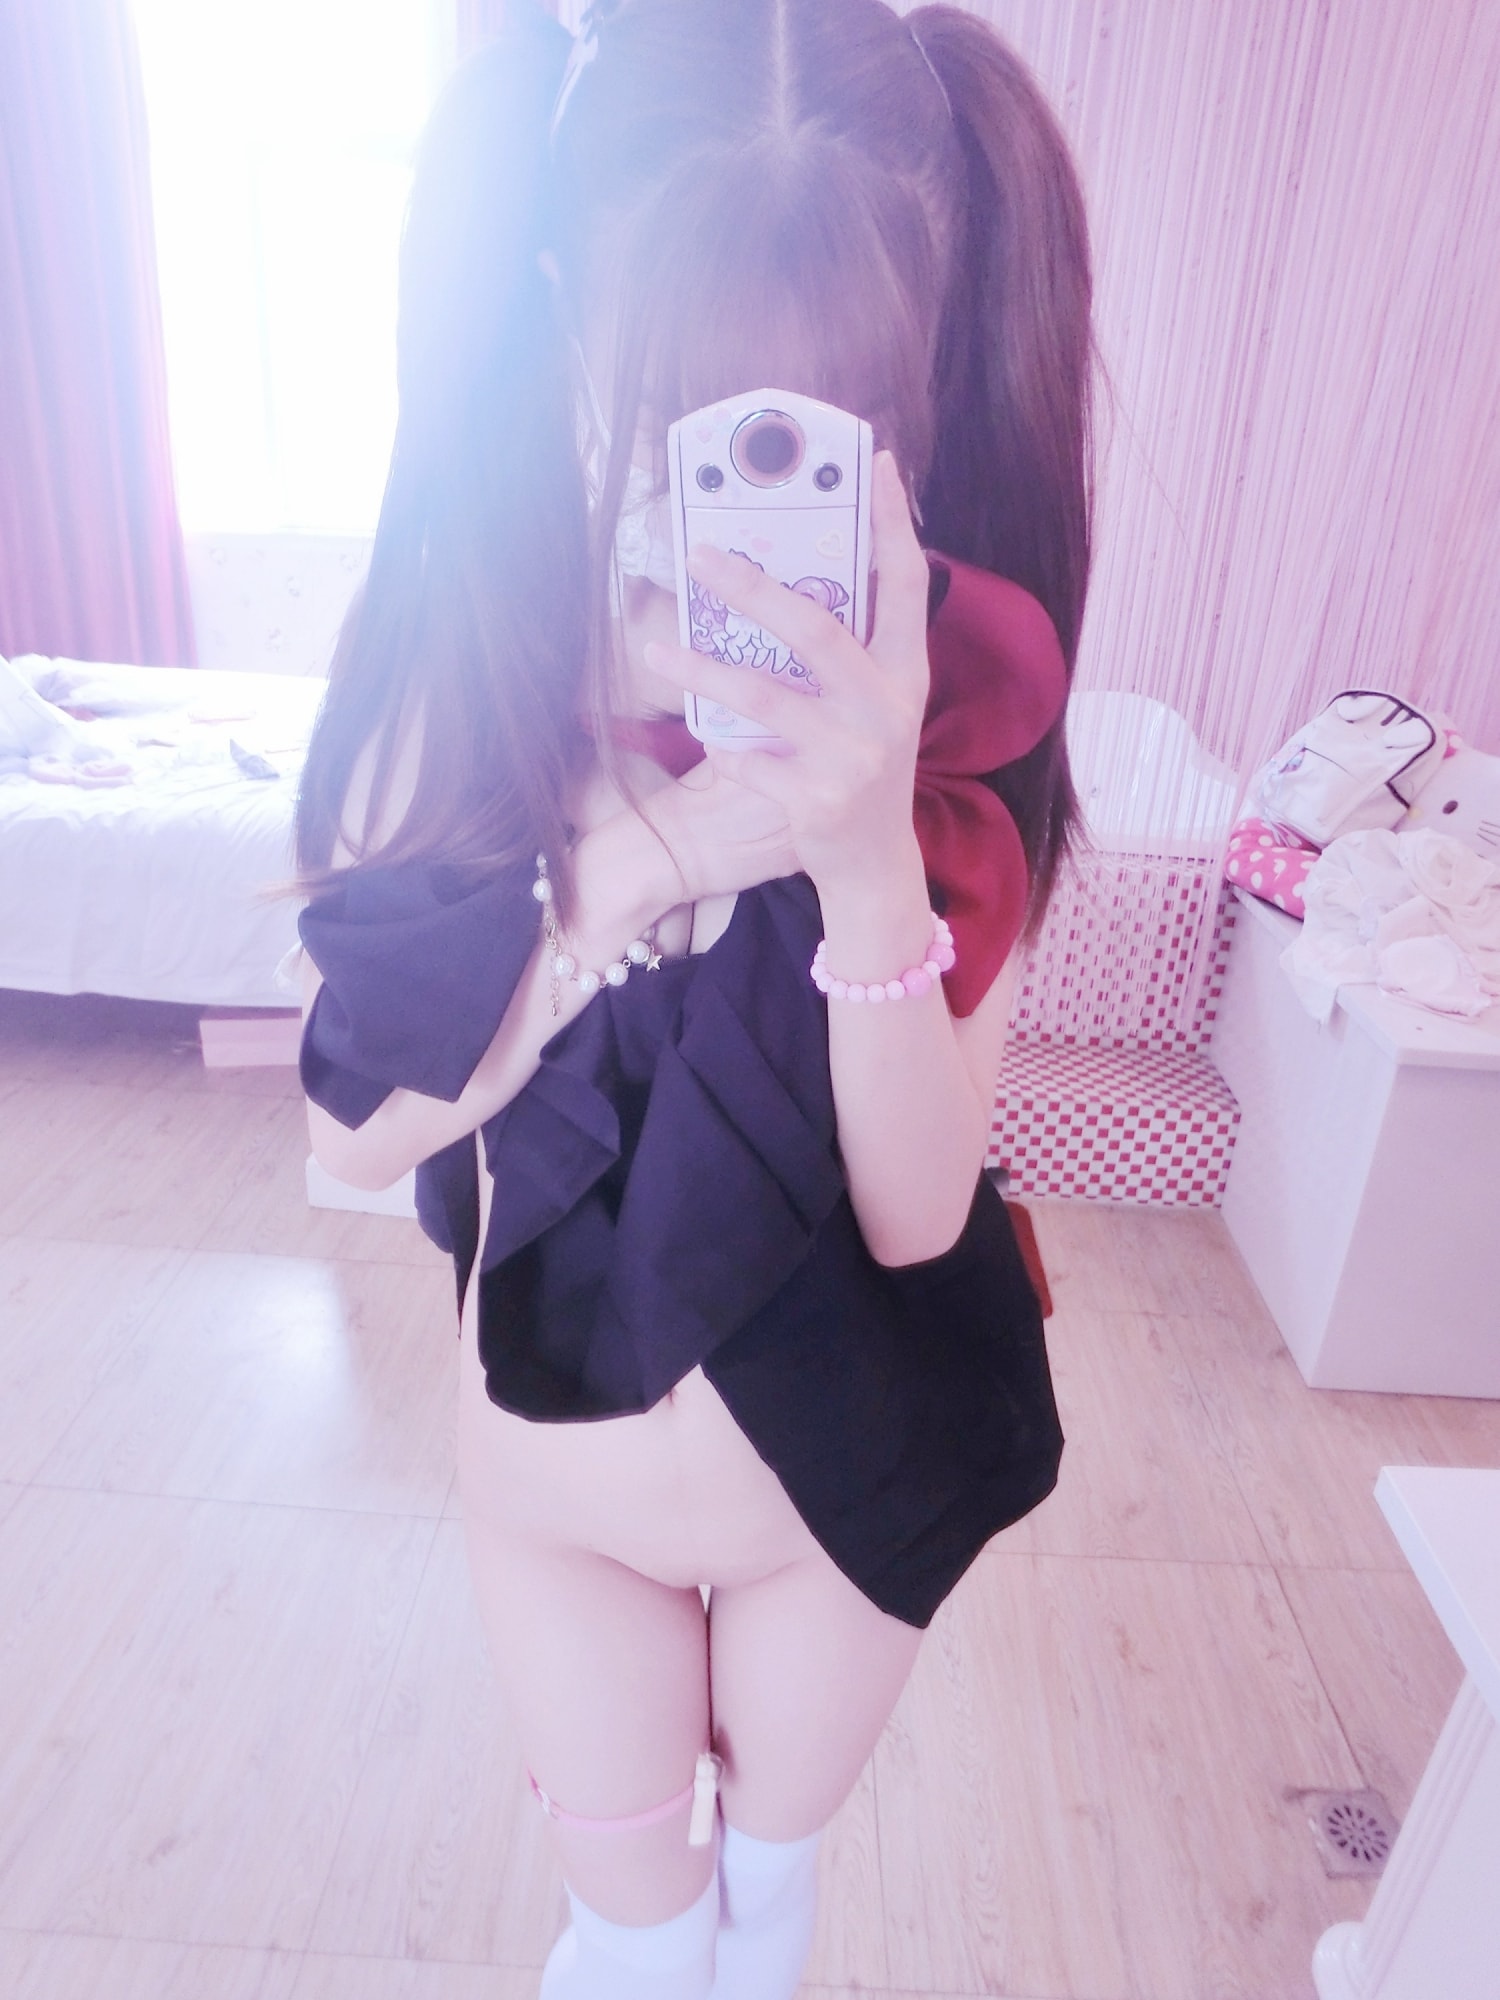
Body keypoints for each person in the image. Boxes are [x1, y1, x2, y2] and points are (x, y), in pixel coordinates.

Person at [294, 2, 1093, 1994]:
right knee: (637, 1948)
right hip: (556, 1482)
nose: (752, 476)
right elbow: (352, 1136)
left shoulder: (964, 691)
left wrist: (858, 849)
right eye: (695, 405)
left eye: (832, 420)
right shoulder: (473, 667)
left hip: (849, 1481)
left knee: (765, 1921)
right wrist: (629, 869)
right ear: (573, 311)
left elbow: (917, 1212)